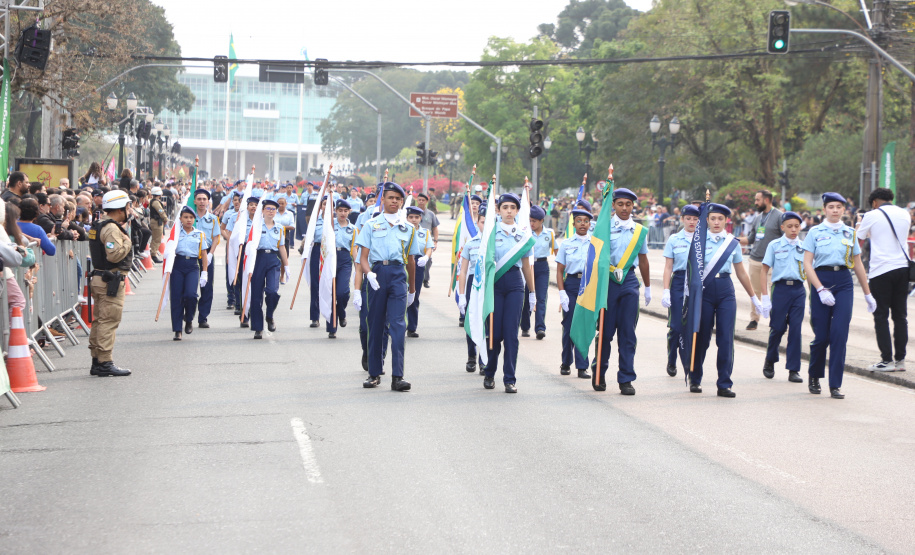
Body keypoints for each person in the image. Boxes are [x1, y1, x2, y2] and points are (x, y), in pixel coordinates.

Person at [802, 193, 877, 399]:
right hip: (821, 280)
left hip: (844, 281)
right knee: (822, 336)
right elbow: (807, 263)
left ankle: (835, 384)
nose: (835, 210)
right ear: (824, 209)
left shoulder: (850, 233)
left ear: (844, 210)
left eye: (839, 207)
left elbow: (858, 264)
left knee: (839, 335)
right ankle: (815, 375)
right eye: (831, 207)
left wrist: (868, 293)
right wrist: (819, 289)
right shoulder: (814, 232)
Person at [460, 193, 536, 394]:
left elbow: (527, 267)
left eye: (513, 207)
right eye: (505, 207)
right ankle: (490, 373)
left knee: (511, 334)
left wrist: (533, 292)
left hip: (515, 284)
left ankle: (509, 378)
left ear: (517, 211)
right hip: (494, 285)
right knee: (494, 333)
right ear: (499, 210)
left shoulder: (523, 236)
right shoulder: (490, 234)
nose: (509, 211)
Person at [690, 203, 763, 397]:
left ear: (726, 221)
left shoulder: (732, 243)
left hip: (725, 290)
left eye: (720, 219)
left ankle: (724, 383)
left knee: (725, 338)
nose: (716, 222)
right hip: (704, 291)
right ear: (706, 220)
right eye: (712, 218)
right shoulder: (698, 241)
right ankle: (695, 378)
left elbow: (741, 272)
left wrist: (753, 297)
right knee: (702, 337)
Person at [356, 182, 422, 391]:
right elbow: (362, 257)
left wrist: (412, 290)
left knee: (398, 326)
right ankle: (374, 373)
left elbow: (411, 261)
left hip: (397, 276)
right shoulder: (371, 225)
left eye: (398, 199)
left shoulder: (408, 229)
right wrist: (369, 274)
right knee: (375, 324)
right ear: (382, 199)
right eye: (390, 197)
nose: (394, 201)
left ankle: (397, 376)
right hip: (377, 274)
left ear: (402, 202)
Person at [856, 188, 910, 372]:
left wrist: (859, 223)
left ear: (874, 202)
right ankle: (901, 360)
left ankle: (886, 360)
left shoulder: (872, 215)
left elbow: (858, 238)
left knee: (881, 316)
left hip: (881, 270)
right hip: (902, 268)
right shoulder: (905, 213)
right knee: (900, 316)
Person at [87, 190, 133, 377]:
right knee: (109, 320)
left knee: (100, 320)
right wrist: (128, 242)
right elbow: (113, 255)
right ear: (120, 208)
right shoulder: (112, 228)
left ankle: (97, 360)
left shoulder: (98, 225)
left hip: (100, 278)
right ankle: (105, 362)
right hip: (110, 281)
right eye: (128, 206)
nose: (129, 210)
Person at [758, 211, 806, 383]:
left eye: (797, 226)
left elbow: (811, 268)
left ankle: (793, 369)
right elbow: (764, 270)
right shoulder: (774, 245)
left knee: (795, 330)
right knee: (777, 328)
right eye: (790, 226)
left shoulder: (805, 246)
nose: (793, 230)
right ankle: (770, 359)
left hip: (798, 290)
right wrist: (764, 296)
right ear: (783, 227)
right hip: (780, 289)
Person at [660, 204, 700, 377]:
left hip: (696, 282)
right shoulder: (674, 239)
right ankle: (671, 359)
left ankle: (689, 362)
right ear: (682, 219)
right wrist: (666, 290)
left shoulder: (702, 240)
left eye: (695, 219)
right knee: (676, 326)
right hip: (678, 281)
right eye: (688, 218)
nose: (691, 222)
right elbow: (668, 267)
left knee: (692, 326)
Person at [555, 205, 593, 379]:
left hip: (588, 285)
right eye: (579, 221)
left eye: (586, 221)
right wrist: (562, 292)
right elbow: (560, 269)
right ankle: (566, 362)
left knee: (584, 326)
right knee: (569, 325)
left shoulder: (595, 244)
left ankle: (582, 366)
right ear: (574, 223)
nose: (583, 224)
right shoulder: (567, 244)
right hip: (571, 283)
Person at [739, 190, 783, 331]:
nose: (755, 202)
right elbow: (750, 239)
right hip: (755, 260)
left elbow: (785, 239)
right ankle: (754, 320)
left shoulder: (779, 216)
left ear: (767, 200)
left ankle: (776, 321)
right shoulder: (758, 218)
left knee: (773, 291)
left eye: (758, 200)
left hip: (772, 262)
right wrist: (731, 239)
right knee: (755, 291)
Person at [249, 199, 289, 339]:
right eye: (268, 208)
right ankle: (258, 327)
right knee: (256, 296)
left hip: (273, 260)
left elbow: (282, 247)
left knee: (272, 291)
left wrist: (287, 265)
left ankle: (270, 315)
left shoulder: (279, 228)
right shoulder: (255, 226)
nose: (271, 211)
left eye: (273, 209)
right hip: (258, 259)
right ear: (263, 210)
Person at [170, 206, 208, 340]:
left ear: (194, 219)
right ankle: (177, 329)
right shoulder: (175, 233)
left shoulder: (199, 234)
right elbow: (169, 250)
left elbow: (204, 254)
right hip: (177, 265)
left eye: (191, 217)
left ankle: (189, 318)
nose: (188, 220)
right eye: (185, 217)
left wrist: (205, 272)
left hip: (192, 266)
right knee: (176, 298)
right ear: (180, 219)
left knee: (191, 295)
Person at [458, 205, 486, 373]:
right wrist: (462, 295)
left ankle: (484, 360)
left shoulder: (494, 244)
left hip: (489, 285)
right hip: (472, 284)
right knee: (472, 320)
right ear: (477, 222)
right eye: (482, 222)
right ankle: (471, 356)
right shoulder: (471, 244)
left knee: (486, 322)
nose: (485, 225)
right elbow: (463, 270)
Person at [520, 205, 554, 339]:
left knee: (541, 297)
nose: (531, 223)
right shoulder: (525, 233)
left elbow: (556, 250)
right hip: (528, 266)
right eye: (530, 220)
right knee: (527, 296)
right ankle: (525, 326)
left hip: (542, 266)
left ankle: (540, 327)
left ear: (542, 221)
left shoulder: (549, 233)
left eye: (534, 221)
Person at [326, 200, 356, 339]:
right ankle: (332, 328)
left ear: (349, 212)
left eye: (345, 211)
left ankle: (341, 312)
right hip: (331, 258)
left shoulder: (353, 229)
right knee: (331, 294)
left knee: (342, 293)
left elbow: (354, 248)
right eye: (340, 210)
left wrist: (357, 266)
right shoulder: (330, 224)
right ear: (335, 211)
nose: (342, 213)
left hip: (345, 259)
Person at [405, 206, 433, 338]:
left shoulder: (425, 232)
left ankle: (411, 327)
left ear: (420, 218)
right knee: (400, 293)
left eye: (416, 217)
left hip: (418, 263)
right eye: (411, 217)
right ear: (407, 218)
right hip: (403, 263)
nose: (414, 220)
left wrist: (426, 257)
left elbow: (429, 247)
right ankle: (397, 323)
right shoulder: (402, 230)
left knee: (414, 295)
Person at [193, 188, 220, 328]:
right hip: (191, 253)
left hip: (207, 253)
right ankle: (189, 314)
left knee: (207, 286)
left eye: (204, 199)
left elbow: (216, 238)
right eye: (199, 199)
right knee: (190, 287)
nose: (202, 202)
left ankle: (203, 317)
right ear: (195, 201)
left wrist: (210, 254)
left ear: (208, 202)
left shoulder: (213, 219)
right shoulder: (189, 217)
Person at [308, 195, 329, 328]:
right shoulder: (315, 221)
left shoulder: (336, 221)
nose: (326, 207)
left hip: (330, 254)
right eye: (324, 204)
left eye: (329, 204)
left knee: (329, 285)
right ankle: (315, 317)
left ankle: (330, 315)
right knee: (315, 285)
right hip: (317, 251)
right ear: (321, 206)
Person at [220, 191, 242, 310]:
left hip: (243, 247)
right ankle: (231, 298)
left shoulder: (247, 214)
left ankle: (241, 298)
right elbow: (222, 229)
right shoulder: (229, 214)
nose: (237, 202)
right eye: (235, 200)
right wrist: (230, 238)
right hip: (231, 246)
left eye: (239, 200)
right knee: (230, 270)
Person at [416, 193, 439, 288]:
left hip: (426, 241)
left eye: (423, 200)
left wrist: (435, 241)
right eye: (419, 199)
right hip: (414, 239)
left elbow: (435, 228)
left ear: (426, 201)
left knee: (428, 260)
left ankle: (425, 280)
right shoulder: (412, 212)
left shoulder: (431, 214)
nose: (421, 201)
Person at [148, 187, 168, 263]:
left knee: (155, 239)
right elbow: (160, 211)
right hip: (156, 222)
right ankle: (153, 255)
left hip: (155, 221)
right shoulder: (156, 202)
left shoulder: (153, 201)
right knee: (157, 239)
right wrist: (165, 218)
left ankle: (153, 254)